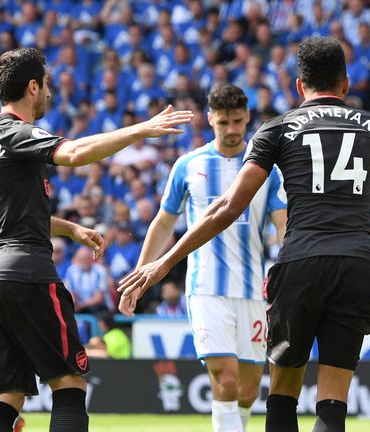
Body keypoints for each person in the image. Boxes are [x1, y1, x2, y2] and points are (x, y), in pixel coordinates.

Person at [119, 37, 370, 432]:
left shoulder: (278, 129)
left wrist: (165, 262)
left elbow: (227, 207)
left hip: (301, 263)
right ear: (345, 84)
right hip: (357, 263)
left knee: (283, 393)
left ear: (298, 85)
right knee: (333, 398)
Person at [0, 48, 192, 432]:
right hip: (27, 274)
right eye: (47, 85)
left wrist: (70, 229)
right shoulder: (17, 132)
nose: (50, 94)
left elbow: (12, 215)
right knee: (69, 383)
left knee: (5, 396)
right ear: (33, 86)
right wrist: (139, 129)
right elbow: (72, 153)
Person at [122, 83, 287, 432]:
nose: (231, 130)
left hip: (253, 292)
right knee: (225, 381)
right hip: (205, 288)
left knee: (246, 390)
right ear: (210, 118)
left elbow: (284, 228)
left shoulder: (267, 171)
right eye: (223, 121)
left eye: (238, 121)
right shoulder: (189, 165)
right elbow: (164, 222)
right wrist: (141, 275)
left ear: (247, 120)